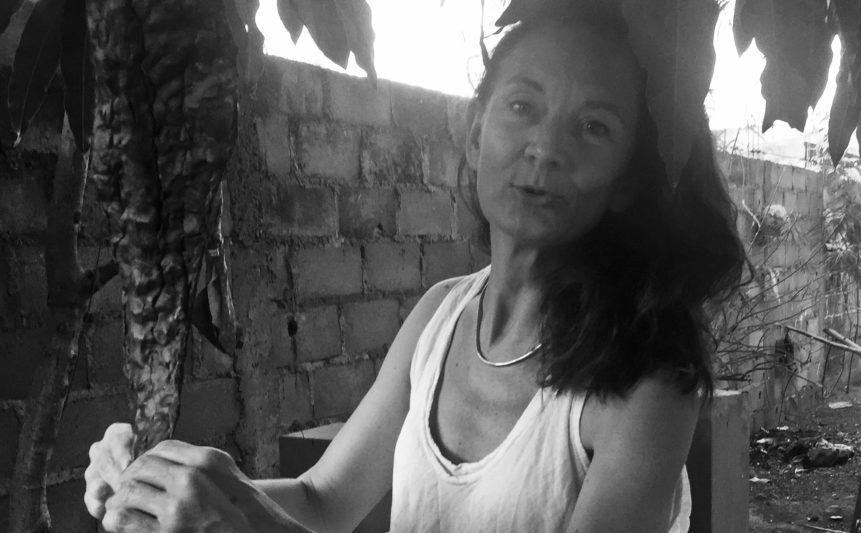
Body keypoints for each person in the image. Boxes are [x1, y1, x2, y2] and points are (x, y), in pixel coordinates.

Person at [83, 4, 746, 532]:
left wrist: (248, 521)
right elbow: (322, 498)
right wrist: (174, 487)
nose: (545, 148)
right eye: (523, 106)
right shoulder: (440, 315)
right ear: (477, 132)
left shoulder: (648, 379)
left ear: (627, 182)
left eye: (594, 127)